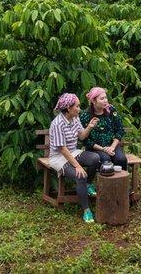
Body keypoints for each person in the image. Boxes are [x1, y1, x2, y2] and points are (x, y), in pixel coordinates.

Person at [47, 93, 100, 223]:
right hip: (59, 157)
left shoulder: (75, 118)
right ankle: (86, 210)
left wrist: (89, 127)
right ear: (69, 108)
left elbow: (81, 136)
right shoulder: (58, 123)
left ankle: (87, 185)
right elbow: (62, 149)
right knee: (80, 174)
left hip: (73, 152)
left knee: (95, 158)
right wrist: (77, 166)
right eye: (77, 106)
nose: (79, 109)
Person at [80, 87, 128, 173]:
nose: (105, 100)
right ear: (94, 101)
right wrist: (103, 149)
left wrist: (112, 147)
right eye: (102, 99)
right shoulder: (85, 115)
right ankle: (104, 184)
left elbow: (119, 130)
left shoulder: (111, 110)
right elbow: (85, 140)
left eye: (106, 97)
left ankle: (120, 184)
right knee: (106, 159)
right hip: (95, 148)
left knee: (121, 159)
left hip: (112, 145)